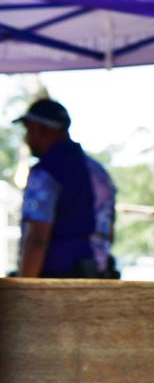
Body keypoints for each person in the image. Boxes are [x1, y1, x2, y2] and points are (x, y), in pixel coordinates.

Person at [13, 98, 109, 278]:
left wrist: (24, 289)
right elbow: (109, 233)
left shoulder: (45, 174)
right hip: (97, 275)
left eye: (28, 130)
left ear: (39, 128)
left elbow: (37, 239)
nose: (27, 138)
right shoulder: (98, 173)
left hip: (56, 280)